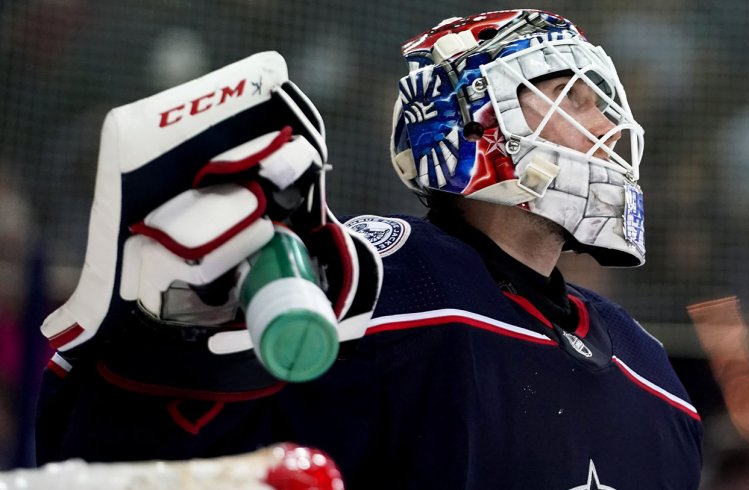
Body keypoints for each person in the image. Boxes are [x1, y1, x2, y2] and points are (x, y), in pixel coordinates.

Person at [35, 9, 702, 489]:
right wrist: (164, 327)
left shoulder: (657, 378)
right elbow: (135, 444)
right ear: (470, 123)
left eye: (602, 102)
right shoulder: (385, 276)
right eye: (568, 97)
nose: (605, 123)